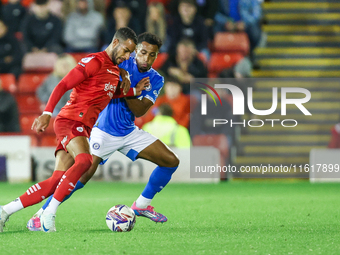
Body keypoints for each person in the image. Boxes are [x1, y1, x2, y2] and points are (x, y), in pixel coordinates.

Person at [26, 32, 179, 232]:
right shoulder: (121, 62)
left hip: (128, 131)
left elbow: (139, 110)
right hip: (103, 131)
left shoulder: (156, 78)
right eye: (143, 52)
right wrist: (129, 87)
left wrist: (127, 90)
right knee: (82, 176)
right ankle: (41, 215)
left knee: (171, 161)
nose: (147, 58)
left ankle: (140, 205)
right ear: (135, 52)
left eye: (152, 55)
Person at [0, 27, 141, 233]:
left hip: (83, 126)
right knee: (84, 161)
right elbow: (62, 84)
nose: (127, 56)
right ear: (115, 42)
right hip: (70, 121)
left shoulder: (114, 71)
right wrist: (47, 114)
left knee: (56, 180)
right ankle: (48, 215)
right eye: (126, 50)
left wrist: (133, 90)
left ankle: (4, 211)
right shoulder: (94, 61)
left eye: (130, 53)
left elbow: (106, 94)